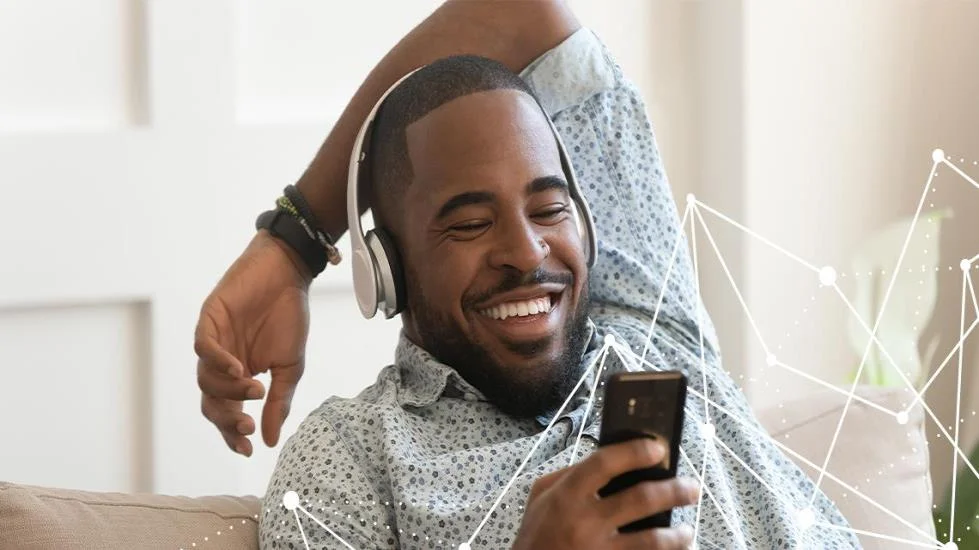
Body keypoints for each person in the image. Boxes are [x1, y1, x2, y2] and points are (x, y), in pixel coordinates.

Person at [194, 2, 860, 548]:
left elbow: (520, 11)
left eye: (548, 208)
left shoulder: (651, 325)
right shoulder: (348, 458)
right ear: (387, 269)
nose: (525, 250)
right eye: (469, 223)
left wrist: (293, 244)